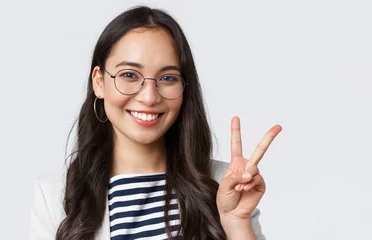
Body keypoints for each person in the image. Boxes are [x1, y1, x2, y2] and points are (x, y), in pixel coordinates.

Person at [29, 5, 282, 240]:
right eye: (129, 75)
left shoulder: (222, 185)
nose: (149, 97)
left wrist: (236, 222)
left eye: (168, 78)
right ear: (99, 81)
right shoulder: (55, 194)